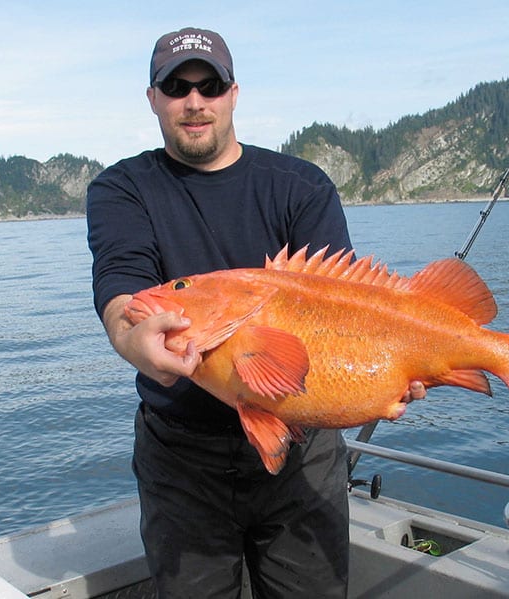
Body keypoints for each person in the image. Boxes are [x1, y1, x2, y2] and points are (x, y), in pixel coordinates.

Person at [87, 27, 425, 598]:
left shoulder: (300, 186)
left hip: (302, 454)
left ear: (234, 93)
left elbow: (342, 314)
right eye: (175, 86)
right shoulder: (124, 188)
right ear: (152, 98)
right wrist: (134, 340)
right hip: (180, 461)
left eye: (209, 84)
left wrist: (388, 368)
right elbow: (122, 290)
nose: (194, 101)